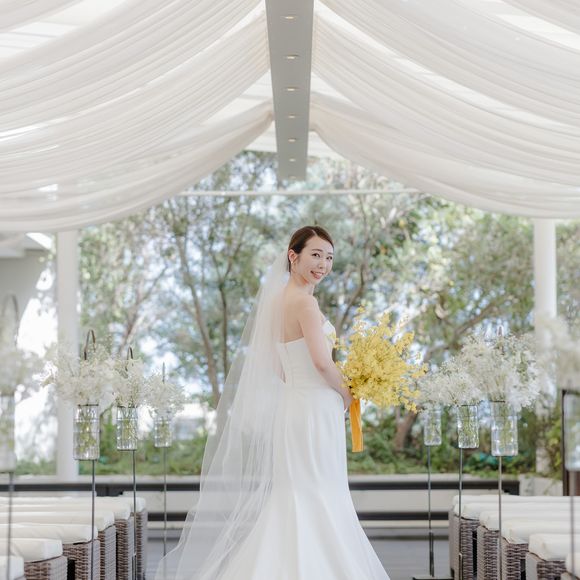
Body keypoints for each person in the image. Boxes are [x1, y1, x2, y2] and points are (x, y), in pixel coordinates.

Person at [156, 226, 390, 580]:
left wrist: (310, 385)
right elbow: (322, 362)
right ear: (293, 255)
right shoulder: (306, 303)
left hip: (293, 407)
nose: (323, 264)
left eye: (329, 257)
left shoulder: (278, 301)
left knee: (295, 493)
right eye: (315, 255)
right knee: (319, 491)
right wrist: (348, 394)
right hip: (315, 410)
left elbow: (277, 366)